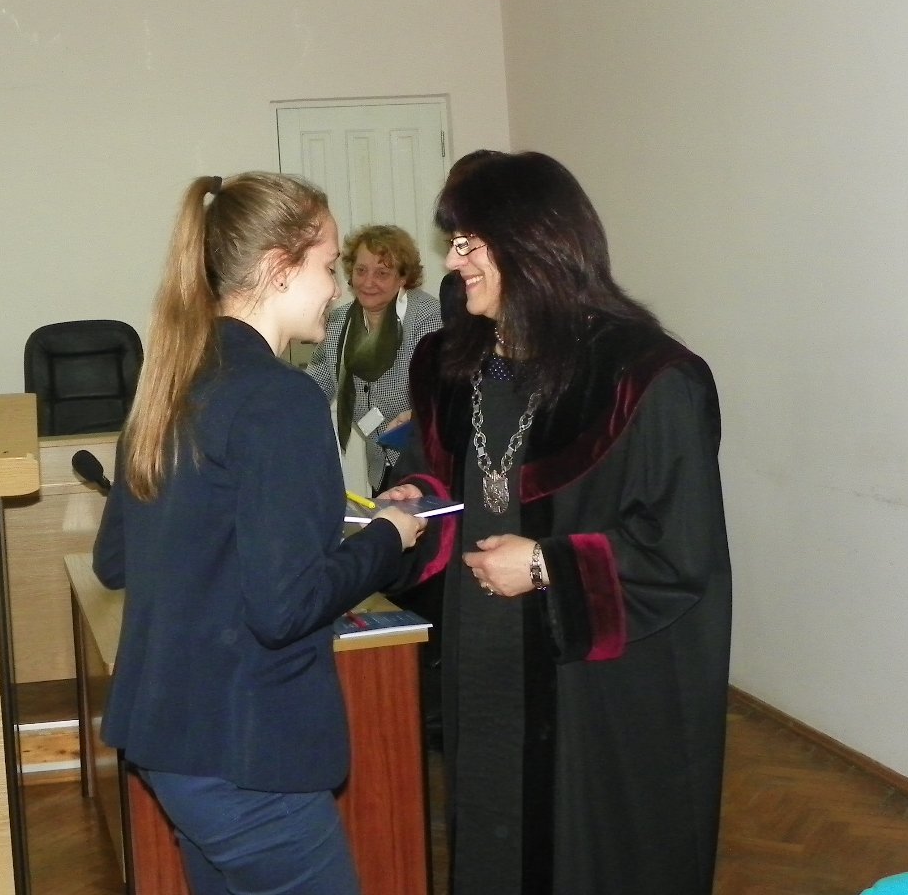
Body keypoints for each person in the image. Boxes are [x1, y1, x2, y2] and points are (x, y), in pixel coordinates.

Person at [385, 150, 731, 893]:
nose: (453, 260)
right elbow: (442, 474)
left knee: (578, 854)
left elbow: (680, 553)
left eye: (469, 243)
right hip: (481, 646)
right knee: (489, 822)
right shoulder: (454, 364)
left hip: (588, 682)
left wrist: (545, 565)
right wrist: (412, 500)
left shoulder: (644, 378)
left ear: (530, 243)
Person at [93, 172, 426, 895]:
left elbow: (117, 557)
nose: (336, 289)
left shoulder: (172, 380)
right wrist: (386, 538)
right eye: (329, 266)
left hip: (171, 743)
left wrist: (324, 523)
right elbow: (285, 606)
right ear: (280, 267)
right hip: (247, 754)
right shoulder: (280, 398)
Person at [304, 224, 442, 495]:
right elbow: (313, 387)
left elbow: (441, 395)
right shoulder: (338, 323)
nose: (368, 282)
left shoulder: (426, 317)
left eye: (382, 273)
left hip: (425, 463)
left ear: (403, 277)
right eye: (361, 270)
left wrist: (417, 414)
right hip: (380, 467)